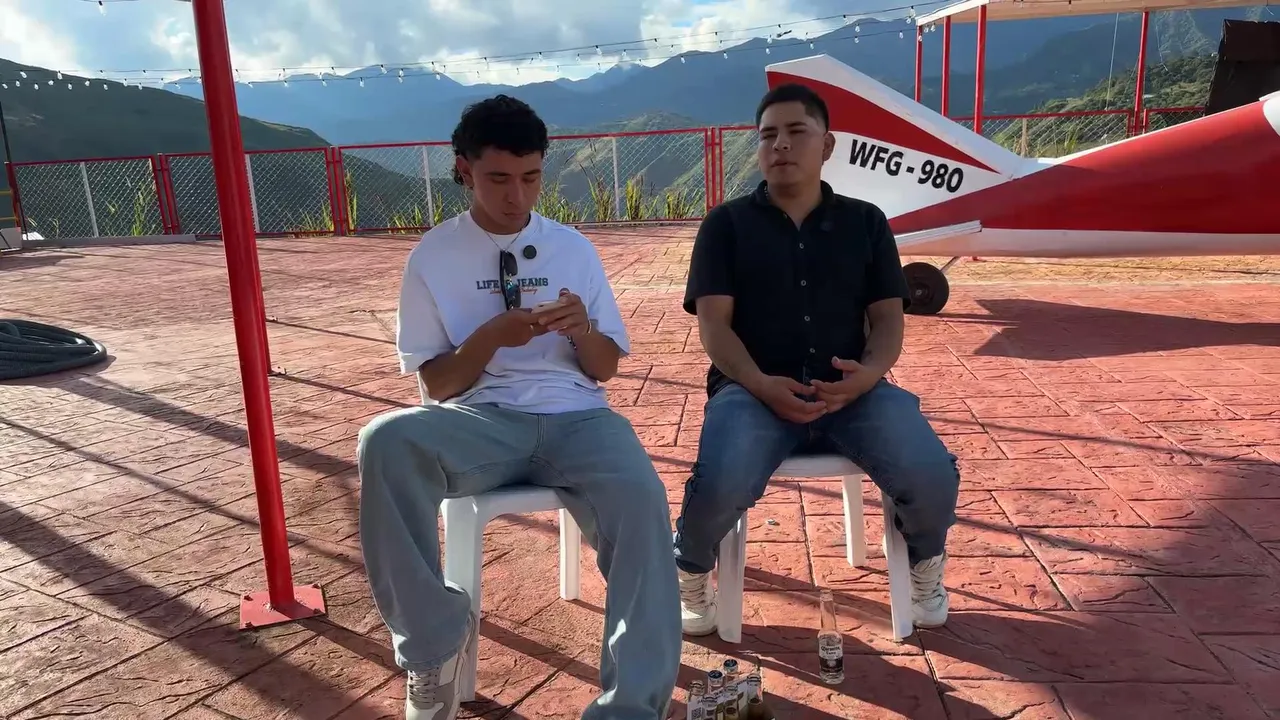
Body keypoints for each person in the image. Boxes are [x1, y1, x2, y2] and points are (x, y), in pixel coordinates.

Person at [356, 94, 680, 720]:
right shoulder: (433, 256)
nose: (517, 196)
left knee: (642, 501)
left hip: (579, 416)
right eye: (499, 178)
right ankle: (433, 643)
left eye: (531, 178)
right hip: (481, 420)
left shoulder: (572, 248)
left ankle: (631, 706)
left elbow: (604, 369)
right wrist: (489, 339)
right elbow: (439, 385)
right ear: (464, 170)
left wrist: (583, 329)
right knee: (385, 441)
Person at [672, 83, 960, 637]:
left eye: (796, 131)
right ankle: (690, 566)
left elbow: (888, 320)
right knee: (720, 479)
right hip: (751, 392)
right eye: (767, 136)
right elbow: (714, 326)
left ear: (827, 146)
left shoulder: (866, 223)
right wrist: (759, 382)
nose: (780, 144)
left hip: (851, 392)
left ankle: (923, 560)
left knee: (930, 473)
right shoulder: (726, 226)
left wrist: (867, 377)